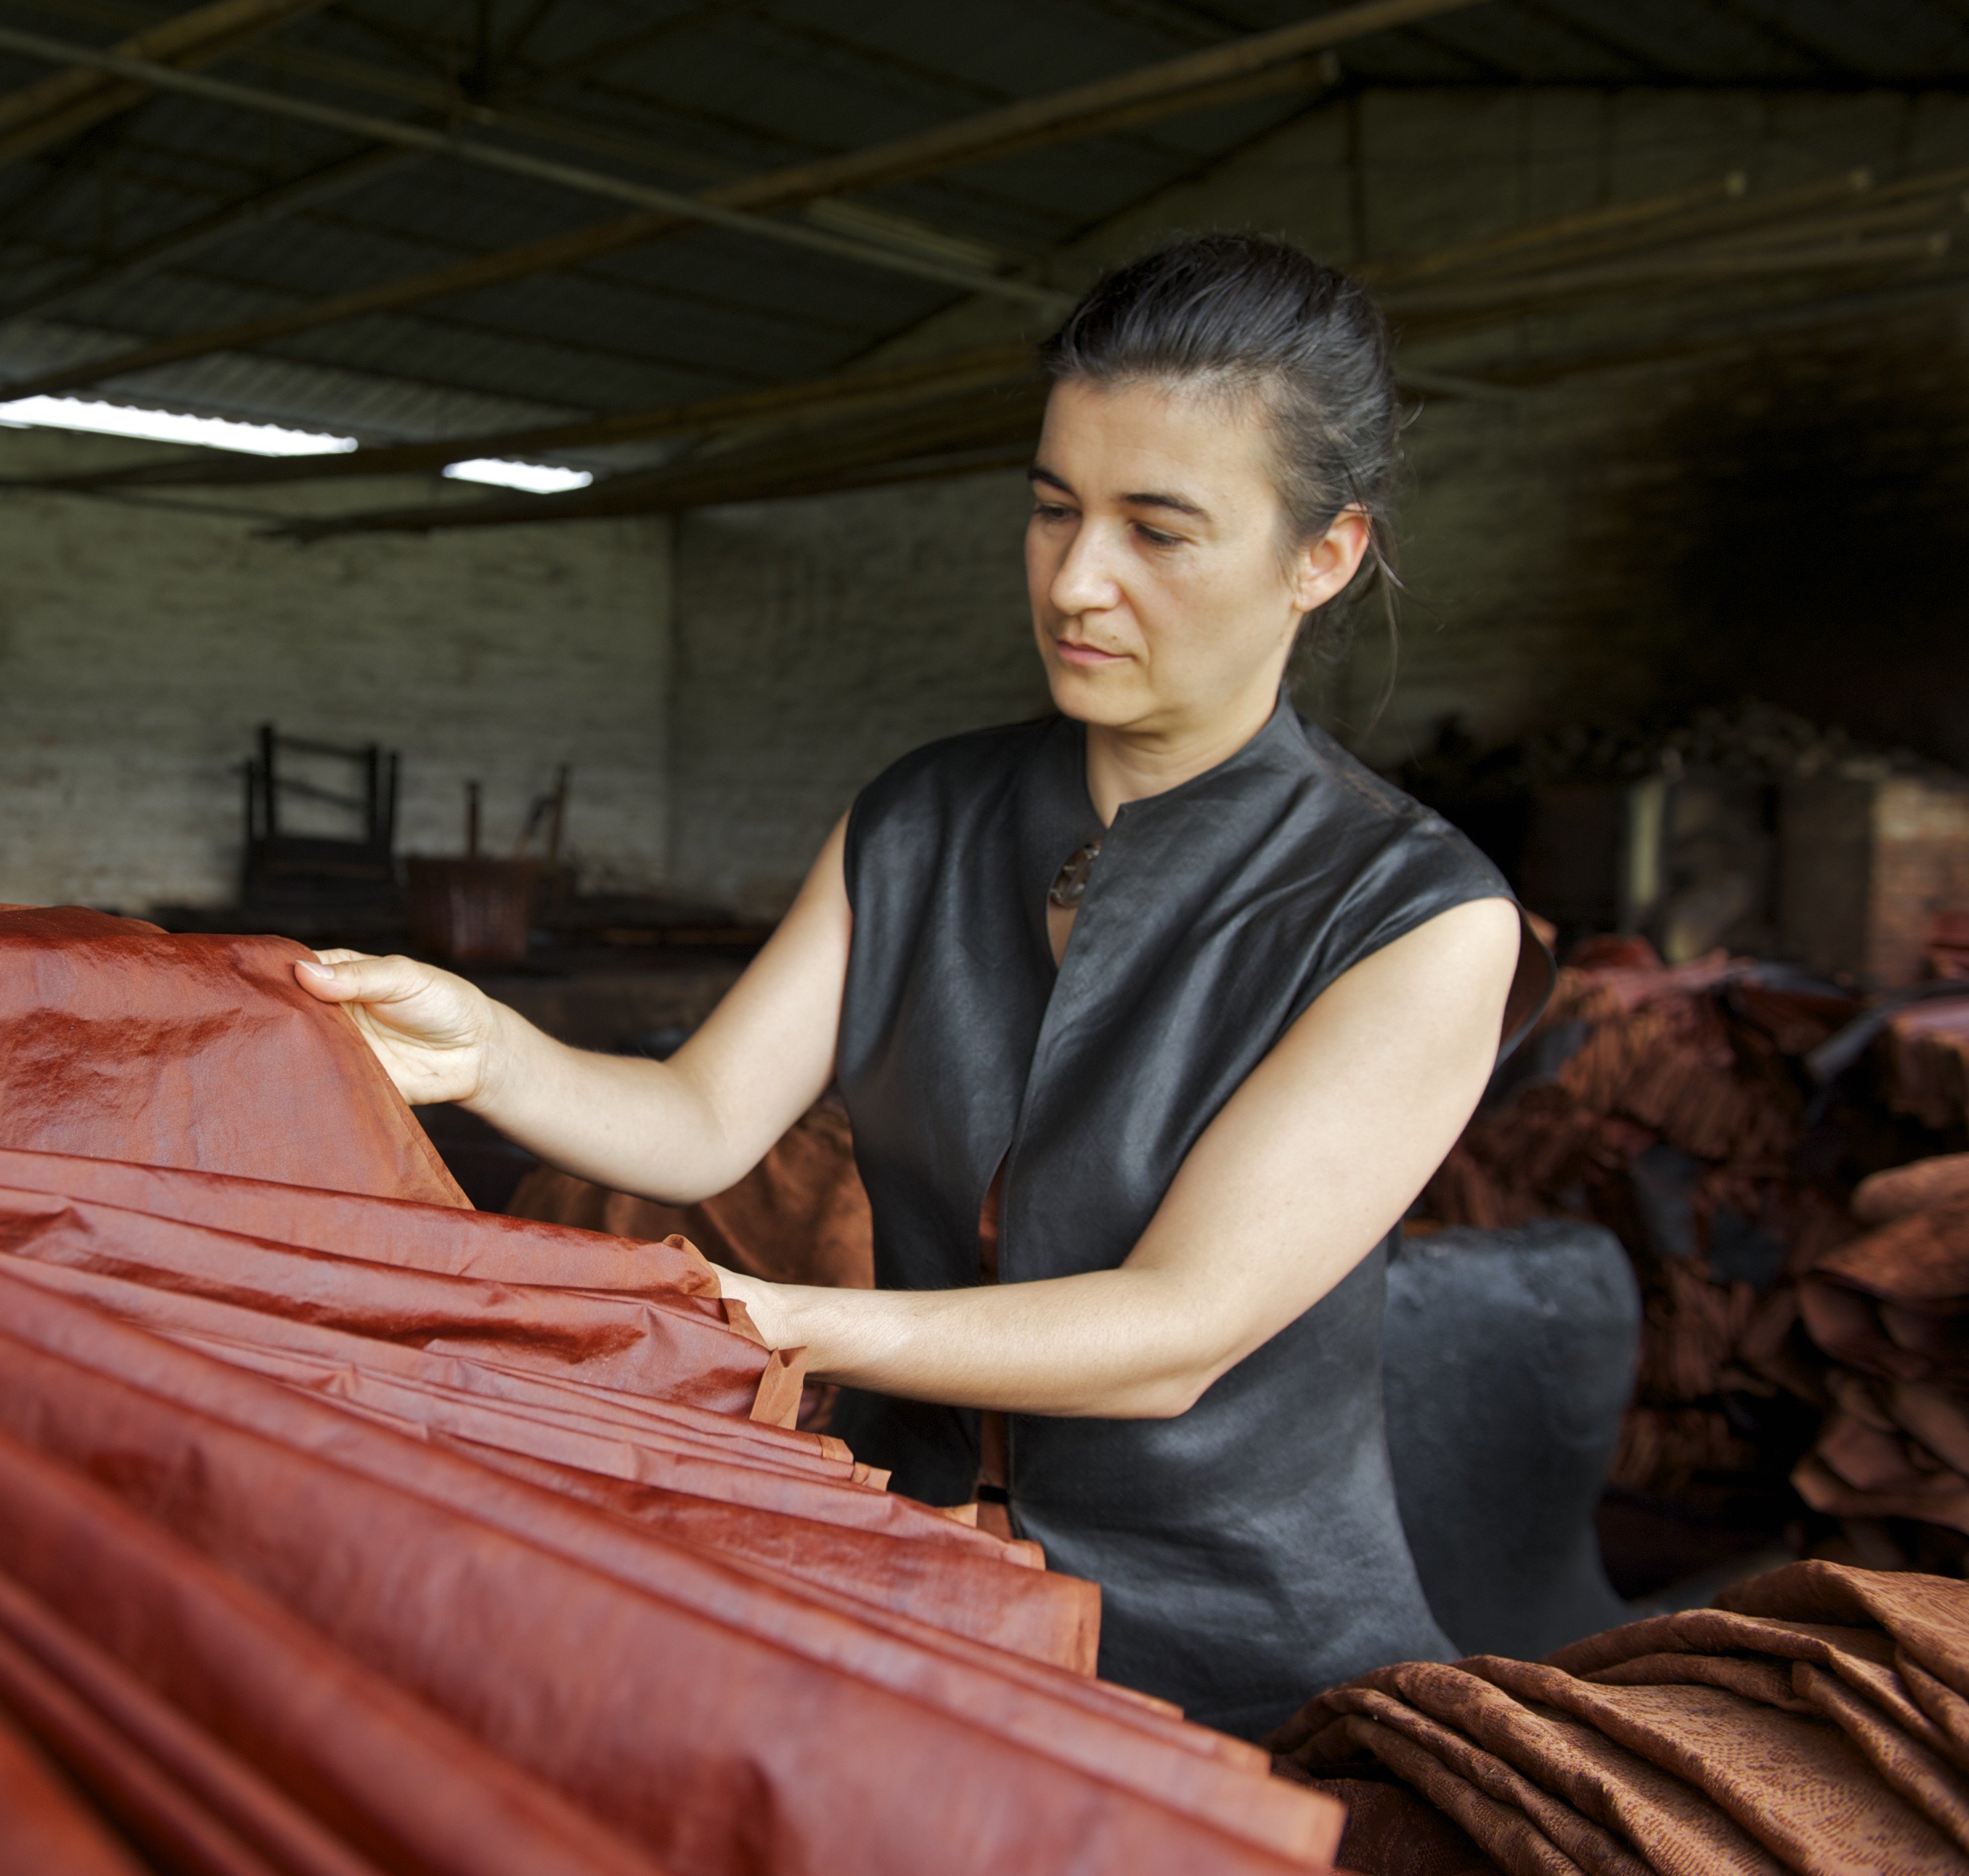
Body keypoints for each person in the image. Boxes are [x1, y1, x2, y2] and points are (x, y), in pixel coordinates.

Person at [293, 233, 1547, 1739]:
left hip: (1236, 1641)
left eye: (1158, 531)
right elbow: (700, 1124)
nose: (1077, 581)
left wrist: (780, 1321)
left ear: (1321, 556)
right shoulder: (919, 818)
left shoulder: (1412, 912)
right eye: (1051, 509)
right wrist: (485, 1047)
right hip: (916, 1560)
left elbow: (1177, 1330)